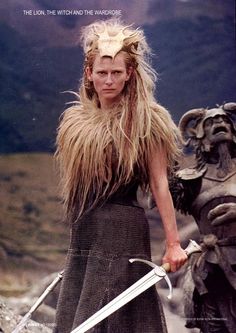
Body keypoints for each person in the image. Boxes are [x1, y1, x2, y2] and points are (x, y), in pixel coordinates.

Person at [53, 18, 187, 333]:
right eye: (102, 72)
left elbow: (159, 184)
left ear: (129, 74)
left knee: (120, 315)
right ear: (89, 74)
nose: (109, 80)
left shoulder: (147, 121)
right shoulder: (74, 123)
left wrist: (173, 244)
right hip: (85, 226)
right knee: (81, 310)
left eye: (116, 73)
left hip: (123, 227)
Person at [171, 103, 236, 333]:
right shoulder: (189, 182)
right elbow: (156, 194)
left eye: (224, 120)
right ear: (200, 136)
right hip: (211, 271)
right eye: (210, 122)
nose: (219, 123)